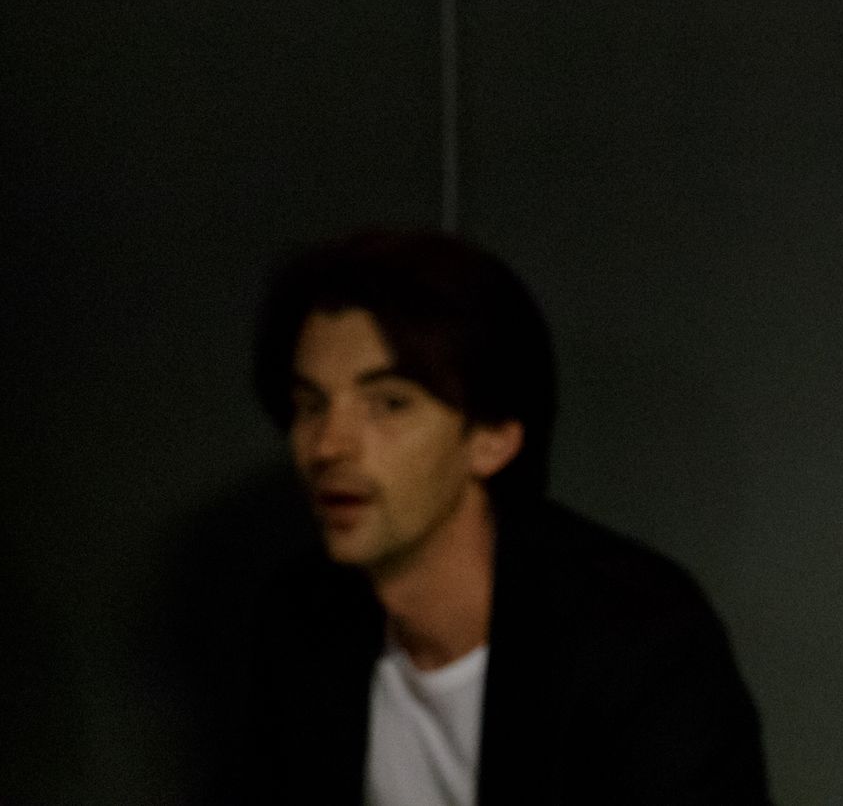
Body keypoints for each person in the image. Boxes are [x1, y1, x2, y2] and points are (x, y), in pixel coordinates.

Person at [244, 229, 771, 806]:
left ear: (493, 438)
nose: (327, 446)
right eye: (310, 405)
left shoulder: (635, 640)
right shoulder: (299, 626)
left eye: (389, 404)